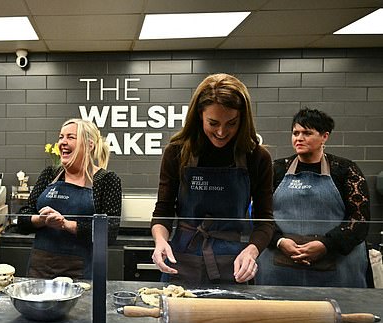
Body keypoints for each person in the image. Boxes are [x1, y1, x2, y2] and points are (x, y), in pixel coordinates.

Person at [150, 73, 274, 286]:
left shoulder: (256, 157)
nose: (221, 131)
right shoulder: (177, 153)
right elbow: (163, 212)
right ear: (199, 115)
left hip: (235, 263)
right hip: (181, 258)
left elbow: (265, 220)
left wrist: (252, 251)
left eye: (231, 123)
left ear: (243, 119)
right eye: (213, 122)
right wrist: (160, 241)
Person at [256, 108, 370, 287]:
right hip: (279, 268)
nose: (299, 138)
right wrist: (279, 241)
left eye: (307, 133)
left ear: (325, 136)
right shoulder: (275, 169)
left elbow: (359, 221)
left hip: (337, 270)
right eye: (295, 133)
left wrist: (326, 244)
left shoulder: (346, 170)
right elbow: (259, 215)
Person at [18, 118, 122, 279]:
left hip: (80, 272)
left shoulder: (106, 180)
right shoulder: (50, 174)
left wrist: (65, 224)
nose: (63, 142)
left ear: (89, 146)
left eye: (70, 137)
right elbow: (22, 218)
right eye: (61, 137)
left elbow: (109, 232)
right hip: (39, 269)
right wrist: (42, 219)